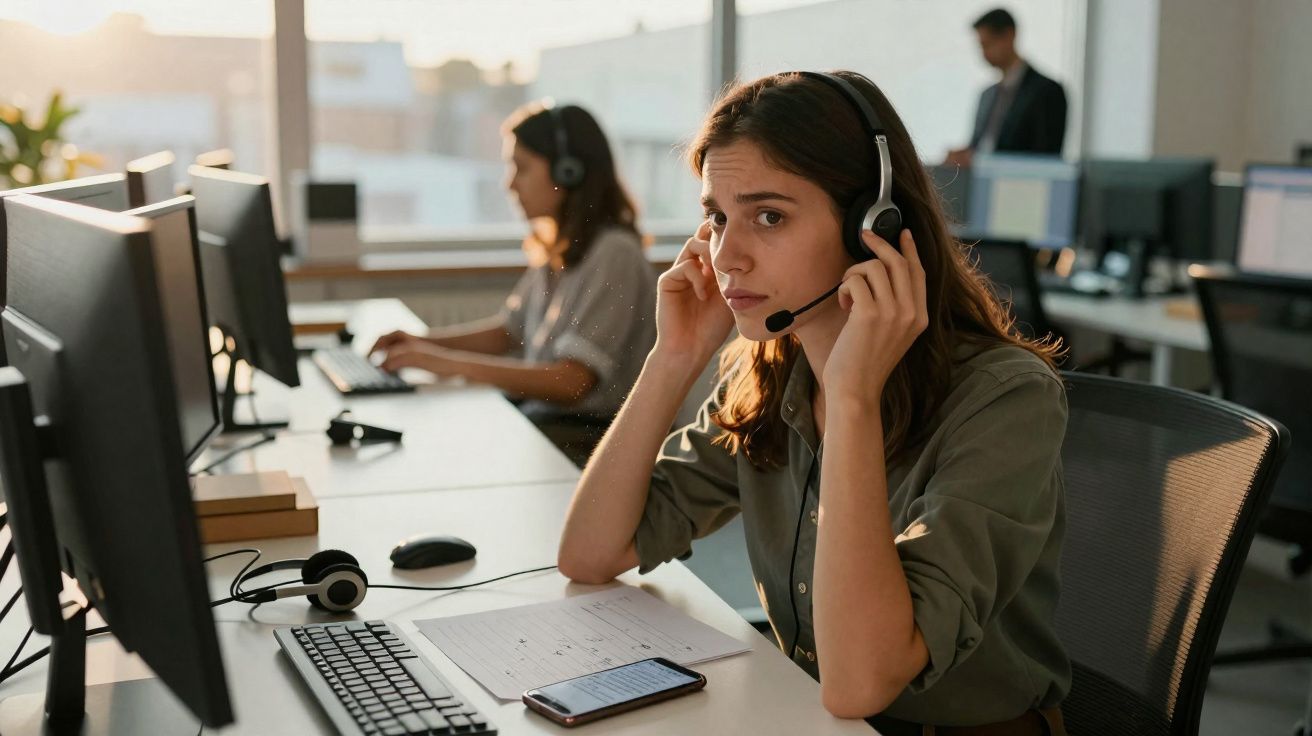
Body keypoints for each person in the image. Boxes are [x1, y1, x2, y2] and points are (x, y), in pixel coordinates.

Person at [557, 71, 1070, 735]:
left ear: (872, 228)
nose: (727, 256)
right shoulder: (773, 373)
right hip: (806, 712)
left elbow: (860, 681)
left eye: (768, 217)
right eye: (717, 217)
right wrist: (672, 359)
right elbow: (591, 553)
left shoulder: (1005, 401)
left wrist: (853, 400)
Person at [371, 102, 656, 465]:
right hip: (549, 421)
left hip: (590, 442)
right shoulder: (562, 247)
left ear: (568, 172)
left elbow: (572, 382)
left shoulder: (614, 254)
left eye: (521, 168)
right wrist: (420, 343)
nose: (509, 183)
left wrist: (446, 363)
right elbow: (508, 332)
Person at [945, 8, 1068, 168]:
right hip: (979, 184)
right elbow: (979, 145)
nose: (983, 53)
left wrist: (982, 160)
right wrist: (965, 156)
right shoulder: (987, 95)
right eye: (981, 46)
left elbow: (1044, 158)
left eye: (987, 44)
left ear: (1009, 36)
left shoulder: (1047, 92)